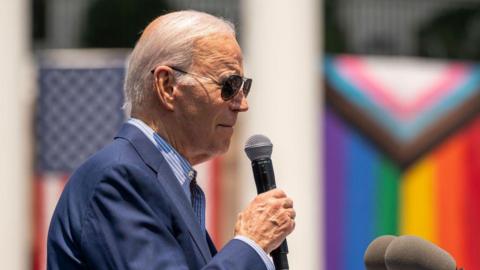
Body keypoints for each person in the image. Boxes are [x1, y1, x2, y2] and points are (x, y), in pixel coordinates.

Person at [47, 10, 295, 270]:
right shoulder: (119, 178)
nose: (242, 104)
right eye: (229, 85)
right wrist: (251, 244)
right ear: (167, 86)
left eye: (244, 87)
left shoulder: (158, 180)